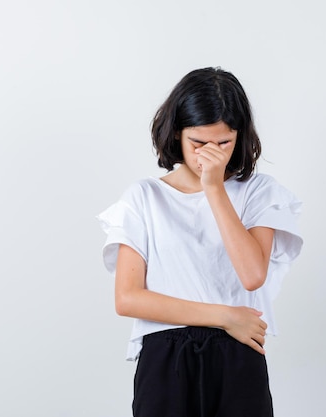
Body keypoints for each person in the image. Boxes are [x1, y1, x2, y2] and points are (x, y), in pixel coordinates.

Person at [97, 67, 303, 417]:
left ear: (240, 136)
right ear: (176, 134)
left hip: (237, 352)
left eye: (224, 143)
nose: (211, 155)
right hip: (166, 356)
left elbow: (253, 275)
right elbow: (128, 298)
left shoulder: (258, 192)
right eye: (198, 143)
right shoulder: (144, 197)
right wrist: (224, 316)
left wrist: (214, 187)